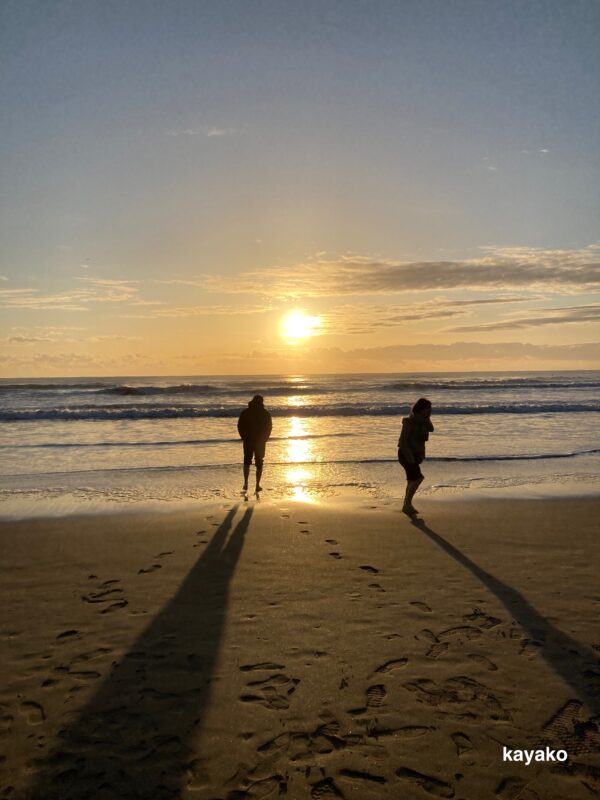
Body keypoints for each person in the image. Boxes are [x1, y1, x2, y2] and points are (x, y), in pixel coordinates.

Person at [397, 397, 434, 517]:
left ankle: (407, 505)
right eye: (427, 409)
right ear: (420, 409)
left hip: (415, 455)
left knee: (411, 480)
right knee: (418, 478)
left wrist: (427, 418)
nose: (429, 411)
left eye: (430, 409)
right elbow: (402, 442)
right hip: (406, 454)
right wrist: (410, 458)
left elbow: (431, 429)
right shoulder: (409, 422)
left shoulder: (423, 421)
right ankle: (406, 505)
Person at [237, 394, 272, 493]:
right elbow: (269, 427)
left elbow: (240, 426)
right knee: (259, 462)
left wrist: (244, 437)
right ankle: (257, 485)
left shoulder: (245, 412)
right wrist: (265, 438)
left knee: (247, 462)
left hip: (248, 441)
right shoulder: (265, 413)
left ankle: (246, 483)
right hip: (260, 442)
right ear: (261, 402)